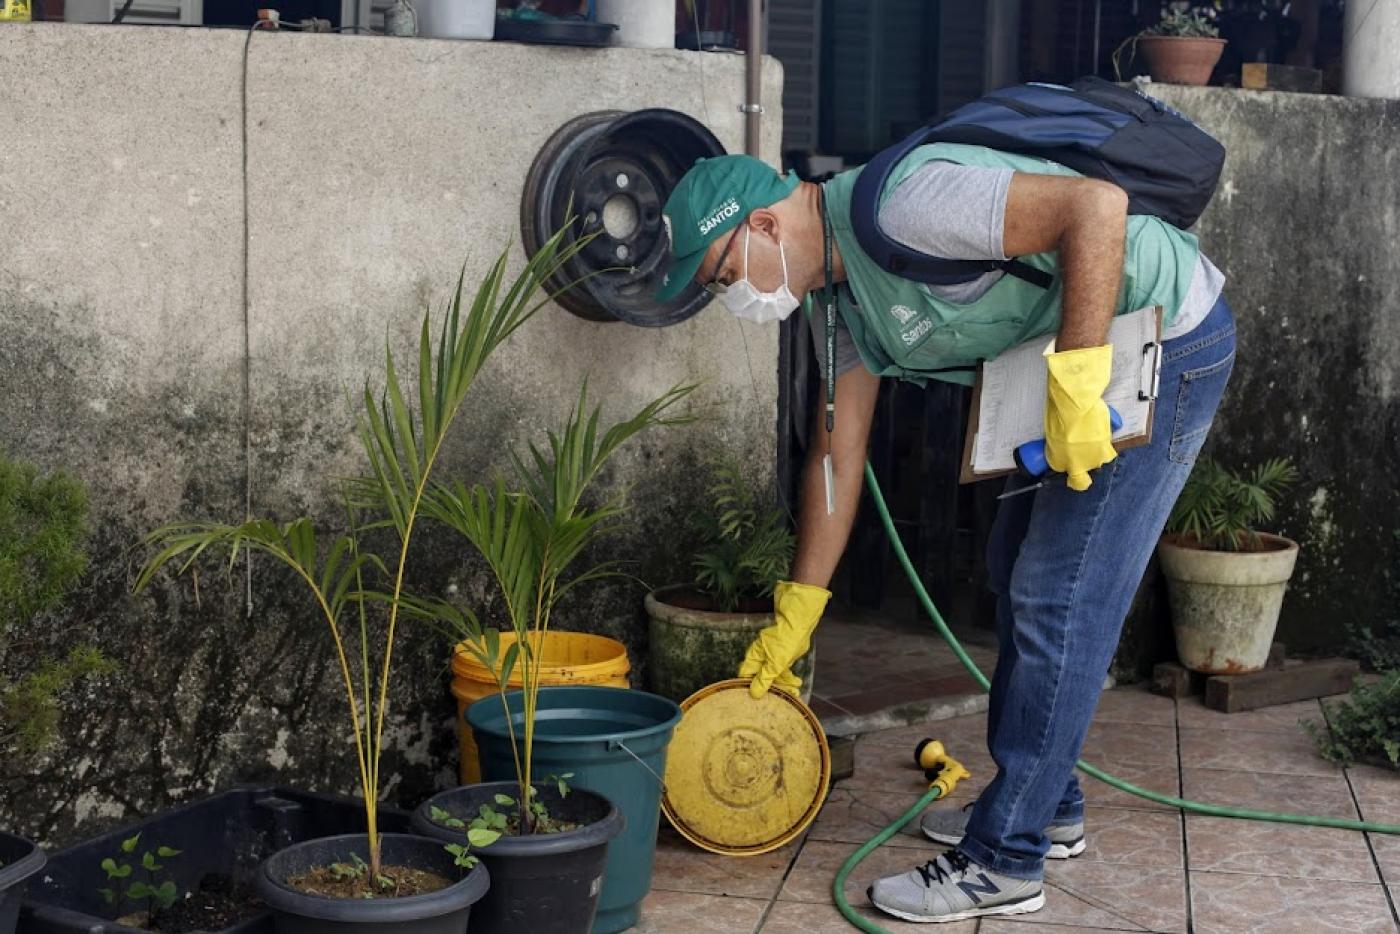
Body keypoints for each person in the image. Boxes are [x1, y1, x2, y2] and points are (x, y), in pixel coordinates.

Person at [654, 147, 1234, 923]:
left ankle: (1006, 858)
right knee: (1011, 570)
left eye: (723, 278)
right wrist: (800, 608)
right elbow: (837, 453)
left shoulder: (905, 205)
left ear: (760, 224)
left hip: (1159, 338)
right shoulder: (838, 306)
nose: (735, 299)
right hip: (1070, 356)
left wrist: (1083, 377)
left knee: (1061, 594)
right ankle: (1046, 804)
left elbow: (1095, 207)